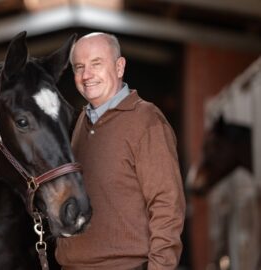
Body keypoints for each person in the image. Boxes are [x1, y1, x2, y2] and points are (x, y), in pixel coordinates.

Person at [55, 32, 186, 270]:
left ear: (119, 67)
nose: (86, 75)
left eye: (96, 64)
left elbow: (167, 204)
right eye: (79, 67)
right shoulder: (81, 123)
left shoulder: (146, 120)